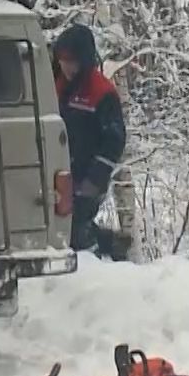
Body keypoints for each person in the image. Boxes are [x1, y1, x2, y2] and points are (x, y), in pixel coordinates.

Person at [51, 24, 128, 260]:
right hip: (58, 172)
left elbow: (114, 141)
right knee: (60, 229)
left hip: (88, 175)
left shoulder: (102, 92)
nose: (66, 66)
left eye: (71, 61)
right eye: (62, 60)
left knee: (75, 229)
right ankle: (107, 244)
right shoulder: (54, 85)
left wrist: (94, 181)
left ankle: (101, 254)